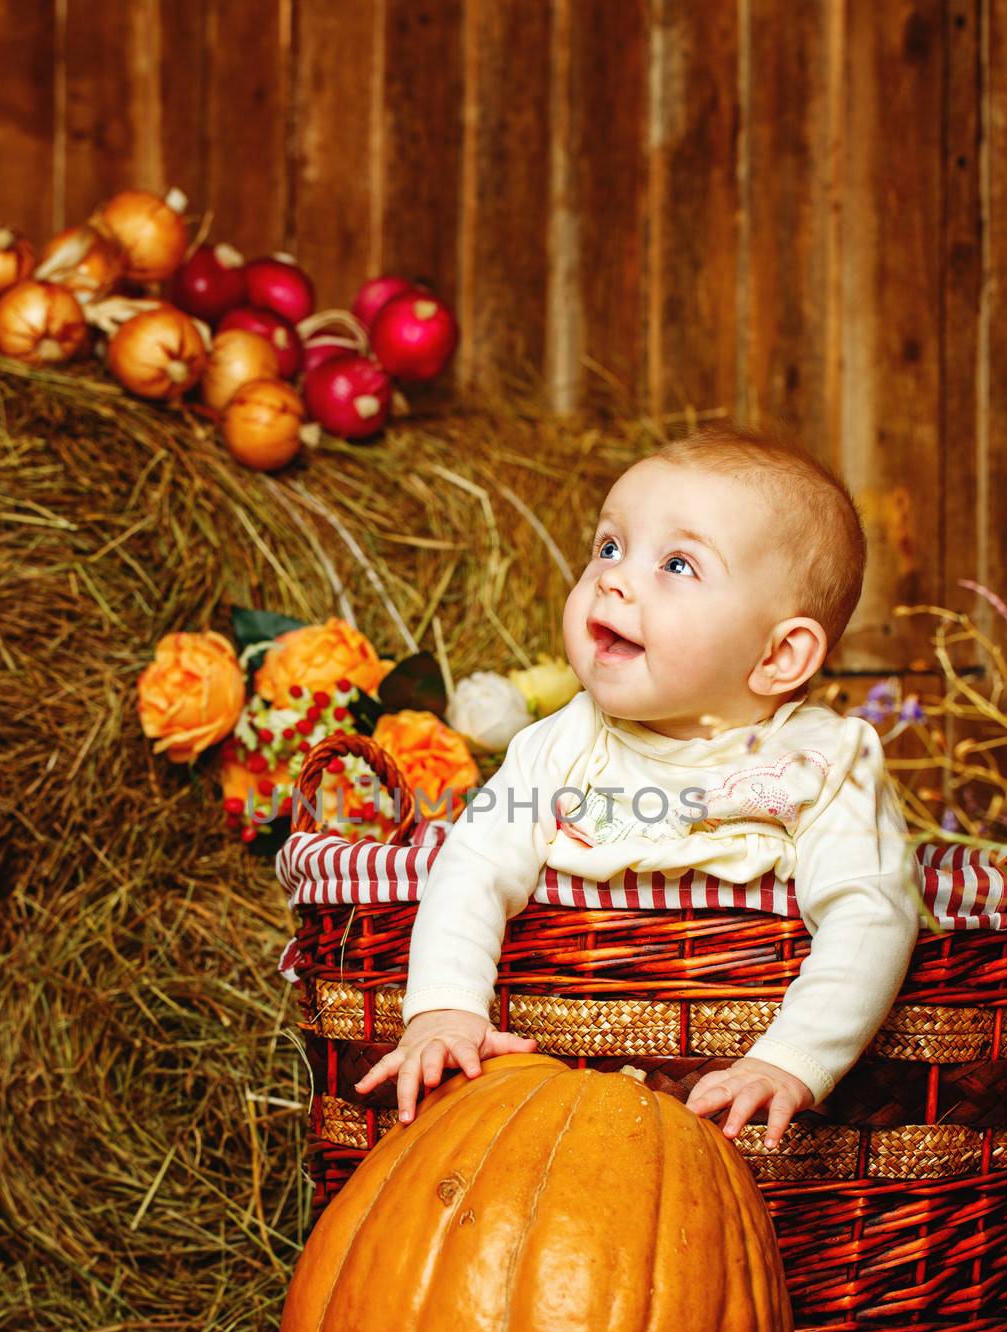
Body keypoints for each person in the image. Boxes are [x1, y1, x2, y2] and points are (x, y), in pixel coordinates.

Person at [353, 422, 923, 1149]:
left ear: (779, 655)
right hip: (556, 1110)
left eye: (678, 564)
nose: (612, 577)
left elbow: (870, 913)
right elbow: (472, 867)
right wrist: (444, 1009)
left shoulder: (822, 765)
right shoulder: (560, 744)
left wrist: (789, 1061)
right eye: (609, 547)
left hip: (726, 1103)